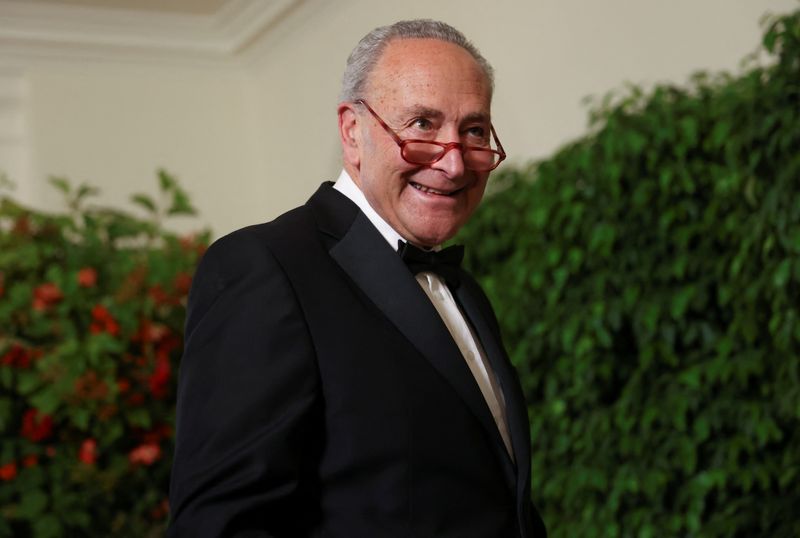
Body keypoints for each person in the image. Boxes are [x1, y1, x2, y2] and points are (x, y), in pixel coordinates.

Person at [168, 19, 547, 538]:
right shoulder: (264, 266)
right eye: (421, 124)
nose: (454, 163)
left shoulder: (467, 293)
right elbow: (223, 527)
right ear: (352, 131)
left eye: (474, 131)